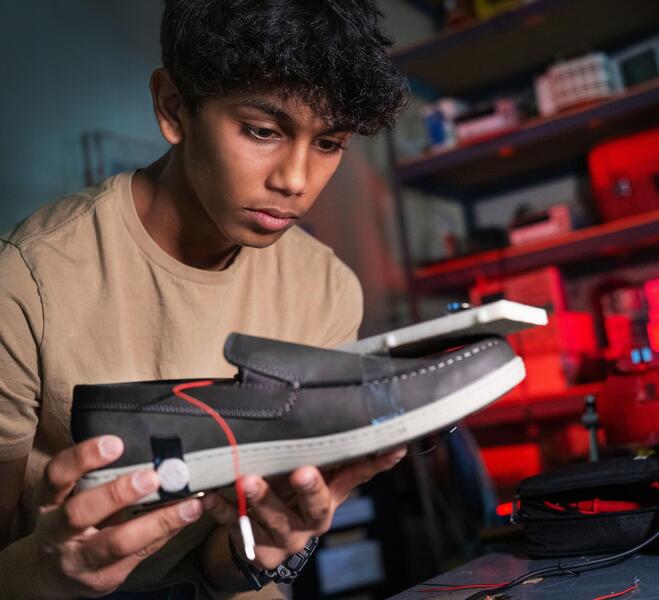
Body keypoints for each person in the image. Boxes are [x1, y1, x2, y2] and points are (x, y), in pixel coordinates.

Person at [0, 1, 409, 598]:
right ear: (173, 108)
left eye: (328, 142)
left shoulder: (327, 291)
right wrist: (46, 571)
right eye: (262, 131)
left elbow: (228, 562)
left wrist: (265, 547)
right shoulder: (27, 281)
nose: (295, 180)